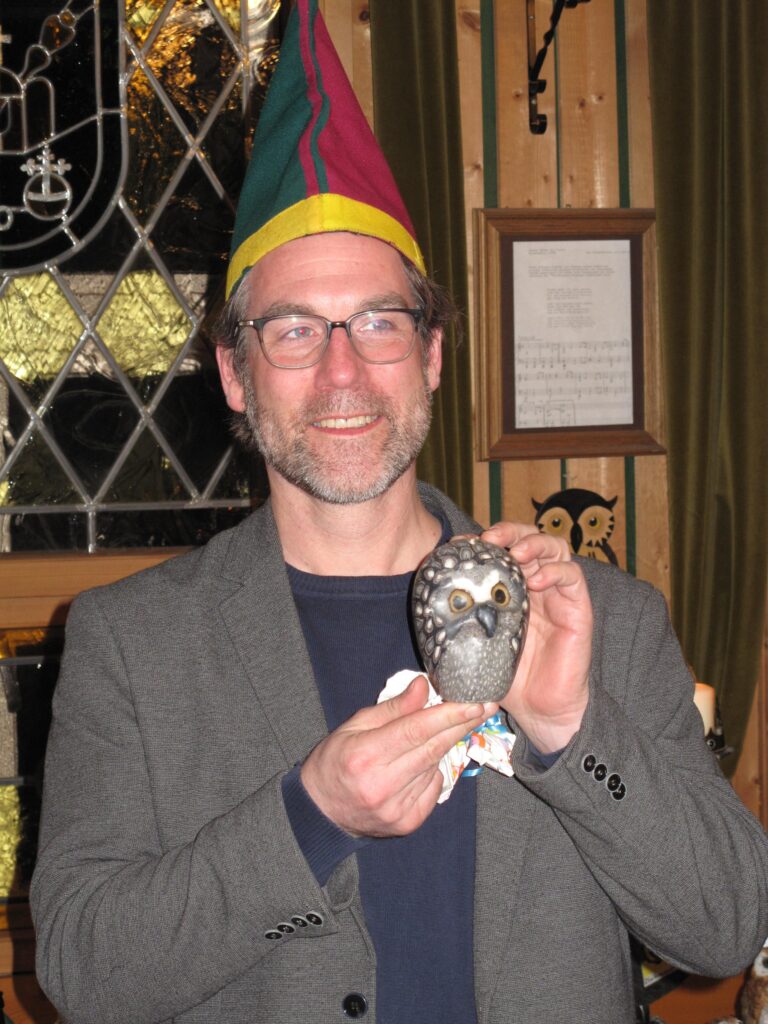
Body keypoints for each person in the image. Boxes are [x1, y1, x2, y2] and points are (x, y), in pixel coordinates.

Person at [31, 3, 768, 1023]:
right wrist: (310, 815)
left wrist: (568, 729)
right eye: (295, 330)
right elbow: (84, 970)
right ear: (236, 373)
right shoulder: (132, 645)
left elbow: (725, 926)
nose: (343, 373)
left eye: (378, 322)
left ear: (431, 354)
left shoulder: (606, 620)